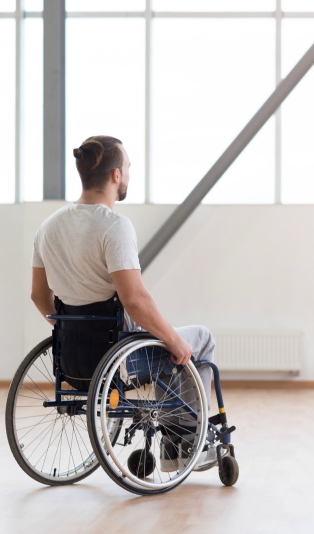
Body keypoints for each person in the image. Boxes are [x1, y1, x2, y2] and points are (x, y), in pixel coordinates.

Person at [30, 134, 217, 470]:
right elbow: (135, 300)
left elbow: (38, 296)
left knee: (169, 344)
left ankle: (177, 443)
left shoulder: (48, 227)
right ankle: (188, 444)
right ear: (116, 175)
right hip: (119, 355)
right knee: (198, 340)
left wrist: (71, 329)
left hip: (73, 358)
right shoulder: (114, 227)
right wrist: (174, 339)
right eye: (128, 167)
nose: (128, 174)